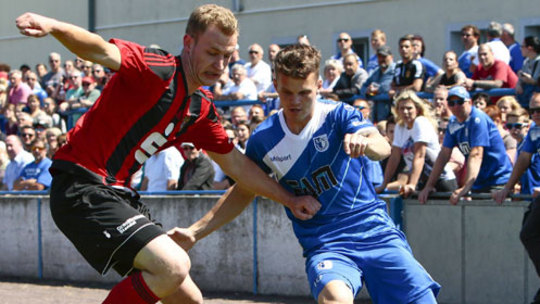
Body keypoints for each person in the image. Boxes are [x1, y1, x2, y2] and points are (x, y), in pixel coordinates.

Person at [16, 6, 320, 304]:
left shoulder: (199, 109)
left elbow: (237, 166)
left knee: (189, 299)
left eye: (227, 56)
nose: (221, 64)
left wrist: (290, 200)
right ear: (189, 43)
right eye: (213, 53)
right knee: (173, 266)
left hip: (118, 193)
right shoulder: (157, 69)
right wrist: (53, 25)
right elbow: (99, 50)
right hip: (80, 184)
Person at [173, 44, 440, 304]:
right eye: (287, 92)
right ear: (275, 85)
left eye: (304, 92)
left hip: (375, 230)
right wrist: (195, 232)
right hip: (326, 243)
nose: (295, 101)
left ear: (320, 85)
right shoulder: (264, 139)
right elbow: (244, 189)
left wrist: (367, 144)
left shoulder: (339, 115)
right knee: (335, 299)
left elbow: (380, 144)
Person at [418, 86, 512, 205]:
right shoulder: (453, 122)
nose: (456, 106)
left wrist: (466, 187)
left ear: (470, 102)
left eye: (460, 102)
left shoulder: (477, 119)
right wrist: (429, 185)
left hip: (497, 181)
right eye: (451, 103)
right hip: (478, 181)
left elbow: (476, 154)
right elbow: (444, 154)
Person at [492, 94, 540, 303]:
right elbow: (523, 158)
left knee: (530, 233)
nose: (536, 115)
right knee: (529, 233)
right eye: (532, 111)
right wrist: (507, 187)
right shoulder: (535, 131)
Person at [376, 90, 457, 196]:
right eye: (402, 108)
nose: (405, 112)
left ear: (417, 110)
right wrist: (384, 184)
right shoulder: (401, 127)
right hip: (423, 182)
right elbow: (394, 157)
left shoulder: (421, 122)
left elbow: (420, 155)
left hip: (441, 179)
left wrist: (412, 184)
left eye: (409, 108)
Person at [361, 45, 396, 122]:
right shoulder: (376, 72)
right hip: (377, 116)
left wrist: (376, 90)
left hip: (391, 114)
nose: (382, 59)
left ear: (391, 57)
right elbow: (363, 87)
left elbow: (388, 86)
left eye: (384, 56)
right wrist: (367, 91)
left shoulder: (396, 70)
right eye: (379, 56)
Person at [516, 36, 540, 108]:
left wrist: (531, 80)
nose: (520, 49)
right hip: (526, 96)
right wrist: (519, 84)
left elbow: (536, 81)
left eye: (522, 46)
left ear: (530, 48)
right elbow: (521, 77)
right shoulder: (526, 61)